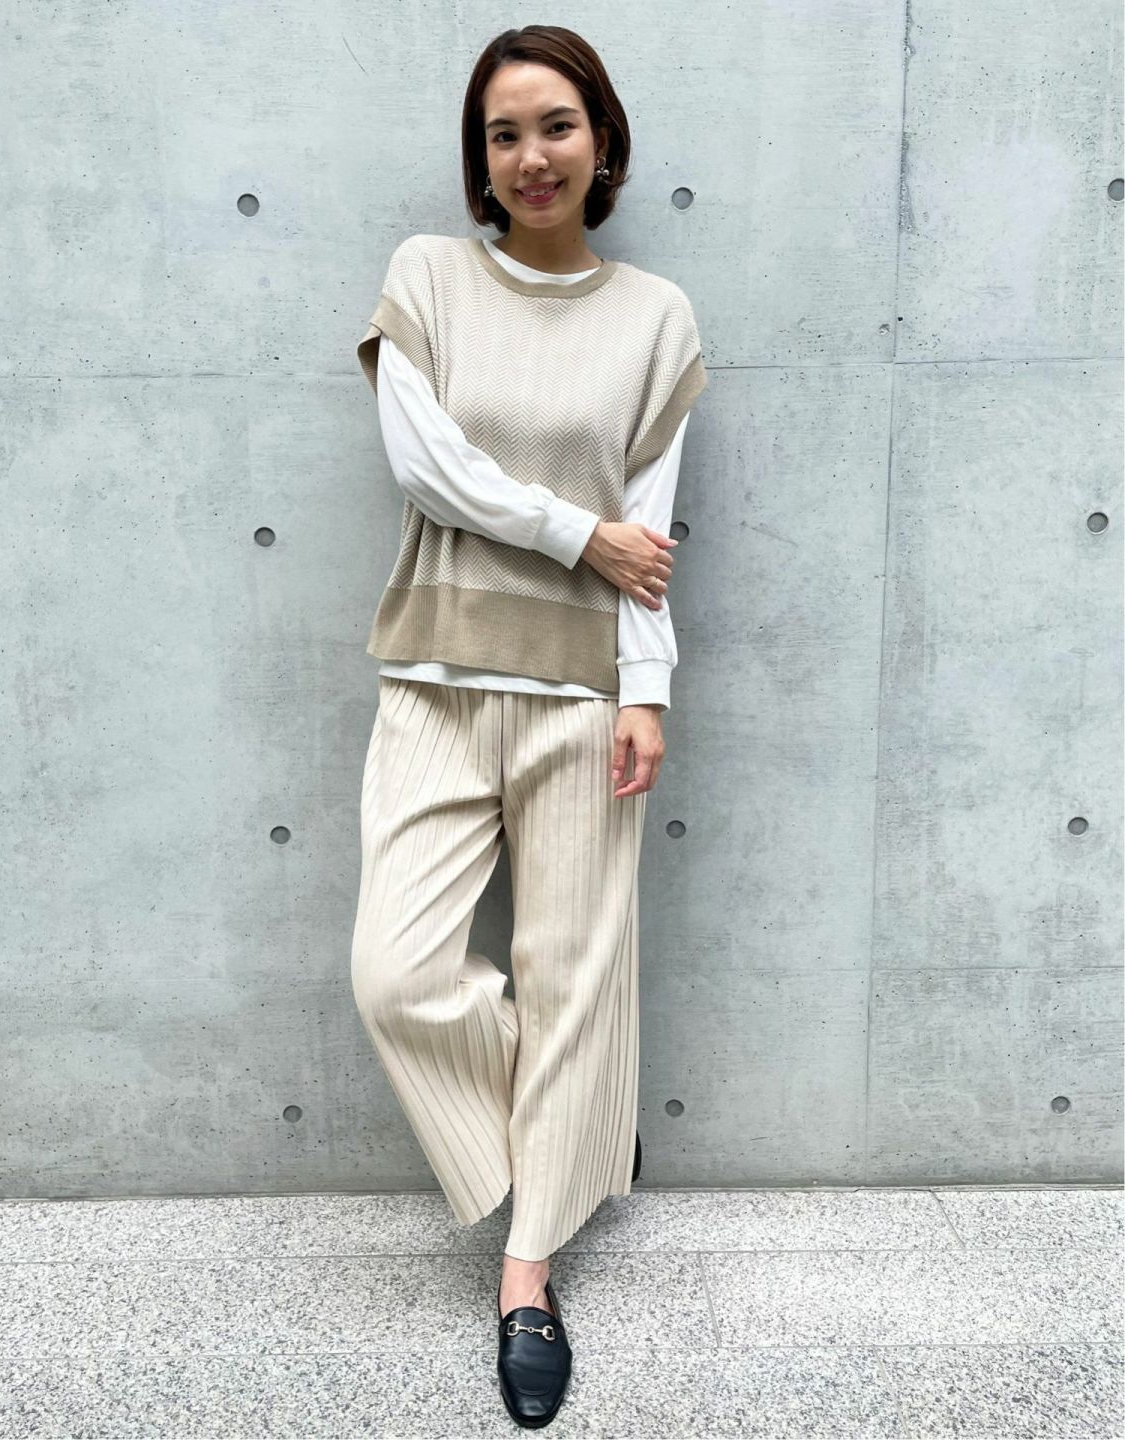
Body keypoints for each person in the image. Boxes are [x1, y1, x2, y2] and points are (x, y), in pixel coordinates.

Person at [350, 24, 708, 1428]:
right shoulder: (429, 278)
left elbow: (651, 535)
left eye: (555, 125)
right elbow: (425, 464)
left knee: (572, 975)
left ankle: (526, 1276)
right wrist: (577, 533)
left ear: (601, 141)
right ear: (480, 157)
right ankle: (577, 1122)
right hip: (437, 681)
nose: (531, 156)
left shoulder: (657, 318)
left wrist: (647, 689)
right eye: (503, 134)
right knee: (397, 975)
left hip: (585, 698)